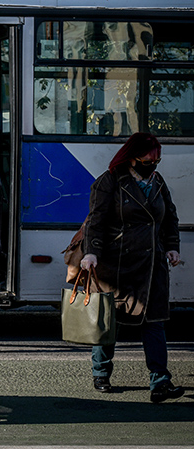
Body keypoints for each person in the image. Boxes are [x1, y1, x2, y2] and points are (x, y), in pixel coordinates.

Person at [80, 132, 184, 403]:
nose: (153, 165)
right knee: (109, 322)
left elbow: (169, 217)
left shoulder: (157, 181)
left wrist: (172, 247)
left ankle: (160, 381)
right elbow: (96, 221)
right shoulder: (109, 181)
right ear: (132, 158)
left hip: (152, 265)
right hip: (116, 265)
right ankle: (101, 372)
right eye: (148, 160)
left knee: (154, 323)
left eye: (157, 161)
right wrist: (91, 252)